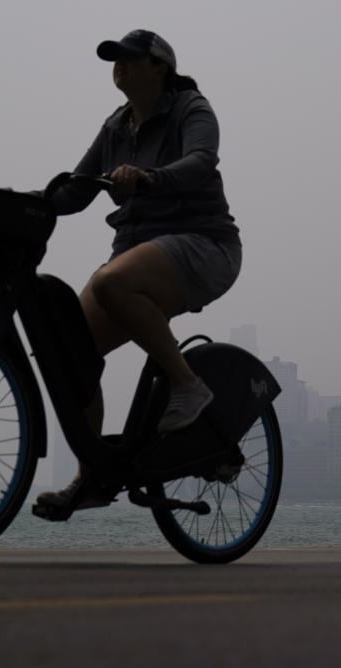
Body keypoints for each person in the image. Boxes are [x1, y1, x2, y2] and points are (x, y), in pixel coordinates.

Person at [35, 29, 242, 513]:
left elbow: (201, 161)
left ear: (159, 68)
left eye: (130, 58)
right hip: (137, 251)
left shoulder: (190, 107)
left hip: (203, 243)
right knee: (71, 354)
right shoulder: (115, 127)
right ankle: (92, 477)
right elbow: (75, 191)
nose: (119, 65)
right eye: (114, 59)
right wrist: (26, 200)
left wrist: (150, 178)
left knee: (112, 282)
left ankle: (189, 386)